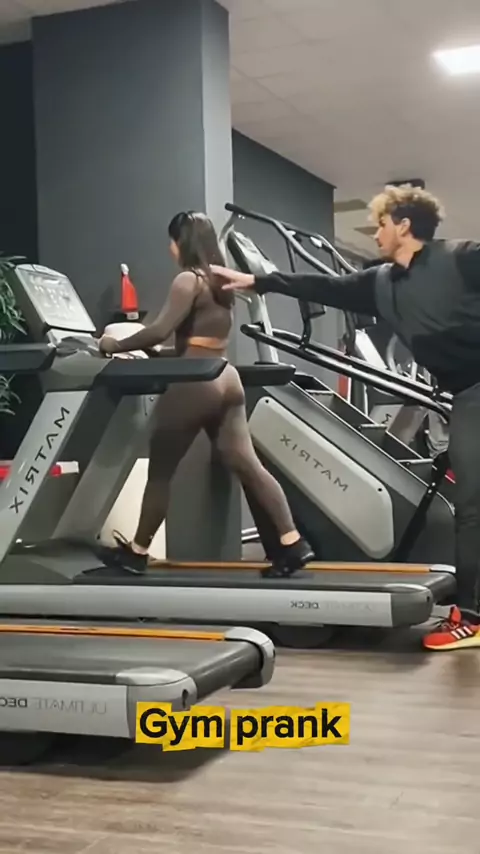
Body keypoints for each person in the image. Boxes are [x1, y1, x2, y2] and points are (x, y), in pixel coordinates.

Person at [210, 184, 480, 652]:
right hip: (466, 395)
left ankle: (472, 618)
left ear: (404, 225)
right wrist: (260, 282)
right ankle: (473, 615)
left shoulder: (462, 258)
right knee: (472, 506)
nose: (375, 234)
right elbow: (326, 288)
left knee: (473, 509)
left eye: (381, 224)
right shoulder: (381, 283)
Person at [98, 211, 314, 577]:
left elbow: (159, 330)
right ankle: (293, 543)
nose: (170, 249)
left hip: (194, 382)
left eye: (172, 241)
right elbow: (198, 341)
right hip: (225, 376)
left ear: (181, 242)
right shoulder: (219, 282)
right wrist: (159, 353)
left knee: (160, 472)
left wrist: (112, 344)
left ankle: (136, 553)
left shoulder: (188, 279)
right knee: (248, 465)